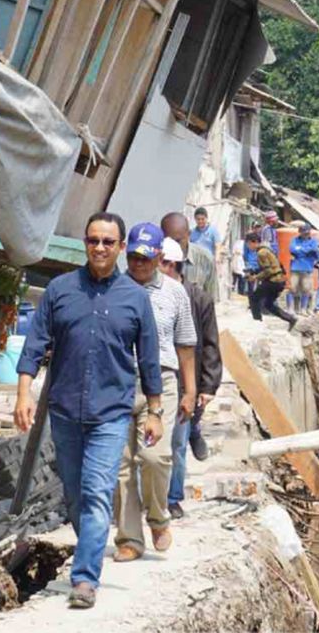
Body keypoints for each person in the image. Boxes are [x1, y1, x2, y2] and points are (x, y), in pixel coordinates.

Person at [15, 212, 162, 609]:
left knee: (97, 494)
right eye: (93, 240)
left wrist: (155, 410)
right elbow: (34, 346)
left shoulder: (135, 298)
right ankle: (90, 550)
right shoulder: (60, 290)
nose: (100, 248)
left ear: (120, 248)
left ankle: (84, 579)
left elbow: (148, 359)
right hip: (64, 411)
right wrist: (24, 394)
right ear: (85, 243)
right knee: (77, 498)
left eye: (108, 242)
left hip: (111, 415)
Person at [115, 223, 197, 563]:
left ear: (160, 257)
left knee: (154, 457)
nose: (138, 264)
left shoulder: (175, 293)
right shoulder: (113, 289)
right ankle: (129, 538)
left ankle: (159, 518)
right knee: (118, 466)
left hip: (161, 385)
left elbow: (186, 344)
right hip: (119, 383)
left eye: (146, 259)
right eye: (133, 257)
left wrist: (190, 390)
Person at [159, 240, 222, 520]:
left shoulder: (197, 299)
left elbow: (209, 344)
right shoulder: (146, 294)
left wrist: (207, 386)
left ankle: (172, 498)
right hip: (153, 381)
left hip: (185, 383)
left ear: (172, 265)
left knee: (176, 444)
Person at [161, 211, 217, 299]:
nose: (174, 246)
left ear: (188, 235)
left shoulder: (205, 259)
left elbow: (210, 298)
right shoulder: (155, 261)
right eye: (170, 241)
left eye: (178, 241)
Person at [249, 230, 297, 330]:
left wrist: (255, 277)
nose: (249, 246)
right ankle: (290, 319)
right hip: (279, 281)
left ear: (254, 242)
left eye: (249, 244)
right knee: (268, 304)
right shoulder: (267, 250)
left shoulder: (261, 253)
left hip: (273, 281)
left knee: (254, 298)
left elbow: (268, 271)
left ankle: (257, 322)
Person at [288, 224, 319, 314]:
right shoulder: (294, 240)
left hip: (307, 268)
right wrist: (306, 250)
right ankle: (292, 309)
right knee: (293, 288)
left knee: (306, 289)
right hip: (295, 268)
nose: (306, 233)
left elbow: (314, 250)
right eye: (303, 232)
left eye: (307, 232)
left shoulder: (313, 241)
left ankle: (303, 309)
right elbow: (292, 250)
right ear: (300, 232)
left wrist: (300, 250)